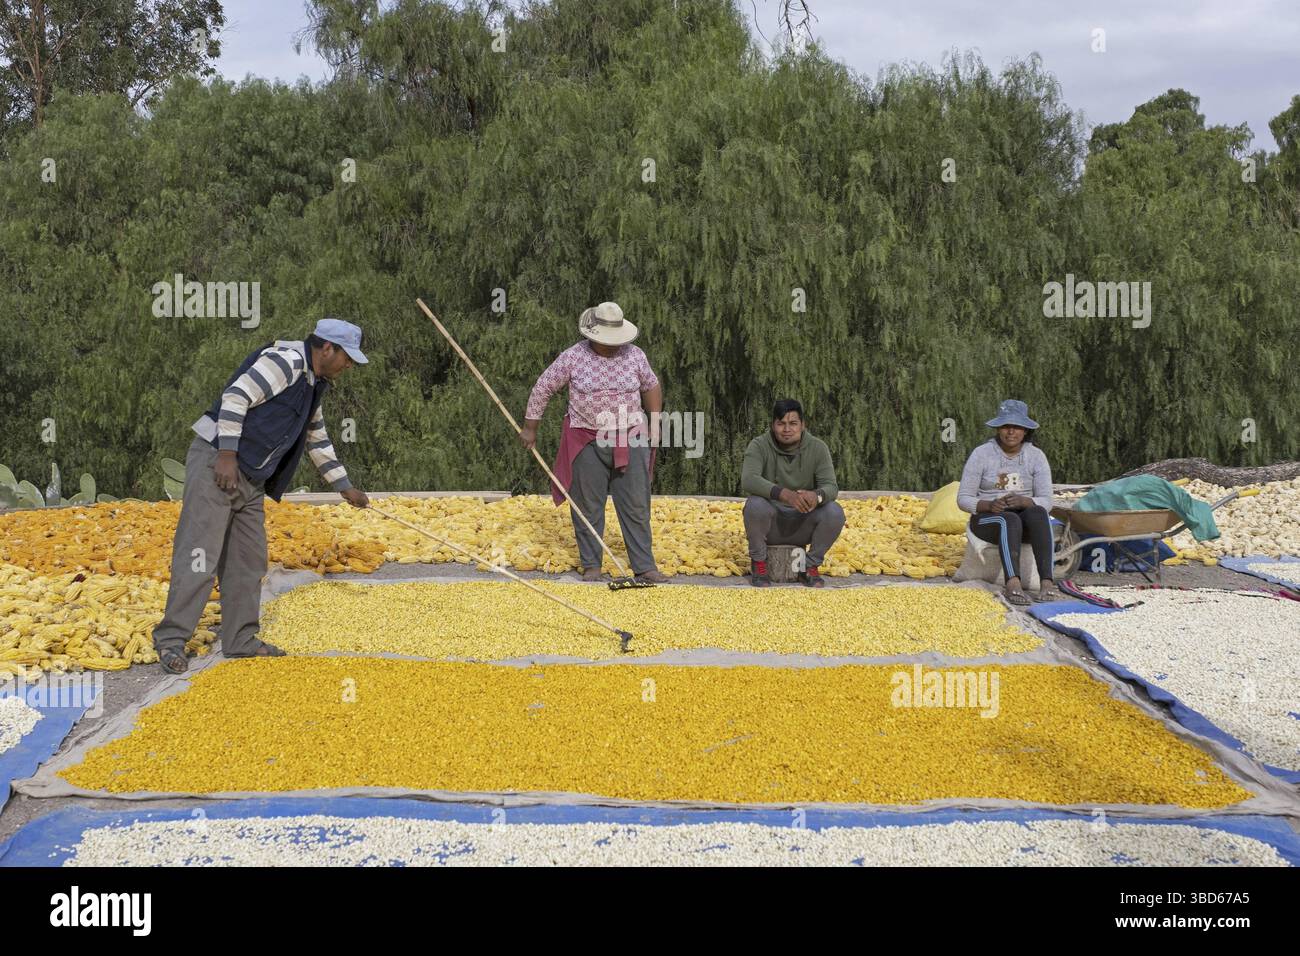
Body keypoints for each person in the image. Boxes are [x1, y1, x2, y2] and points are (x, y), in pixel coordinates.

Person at [152, 319, 370, 672]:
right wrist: (225, 455)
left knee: (249, 559)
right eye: (347, 357)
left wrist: (342, 485)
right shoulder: (286, 361)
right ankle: (172, 640)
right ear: (326, 348)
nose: (348, 366)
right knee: (199, 555)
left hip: (250, 479)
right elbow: (236, 397)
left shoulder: (314, 383)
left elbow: (316, 436)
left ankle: (240, 639)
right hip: (218, 464)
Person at [520, 302, 667, 583]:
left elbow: (651, 385)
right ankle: (592, 564)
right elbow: (544, 387)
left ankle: (644, 565)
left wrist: (656, 424)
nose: (612, 346)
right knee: (588, 504)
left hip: (631, 435)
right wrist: (530, 428)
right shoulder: (573, 357)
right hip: (586, 438)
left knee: (636, 503)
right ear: (592, 335)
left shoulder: (635, 356)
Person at [956, 399, 1060, 605]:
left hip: (1025, 518)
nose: (1011, 432)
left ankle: (1047, 581)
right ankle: (1012, 582)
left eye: (1017, 427)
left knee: (1039, 513)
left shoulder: (1036, 456)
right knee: (1009, 519)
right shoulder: (981, 454)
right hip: (988, 519)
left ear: (1025, 431)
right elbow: (963, 498)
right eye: (1005, 426)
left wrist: (1024, 501)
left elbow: (1047, 501)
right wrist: (988, 505)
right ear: (998, 429)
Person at [740, 399, 844, 587]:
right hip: (771, 524)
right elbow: (749, 479)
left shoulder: (818, 448)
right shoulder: (759, 445)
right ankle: (759, 564)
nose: (787, 429)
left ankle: (809, 566)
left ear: (803, 425)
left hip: (803, 521)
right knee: (754, 505)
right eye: (781, 424)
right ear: (773, 425)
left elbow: (831, 487)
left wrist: (816, 496)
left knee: (834, 511)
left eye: (793, 423)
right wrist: (784, 494)